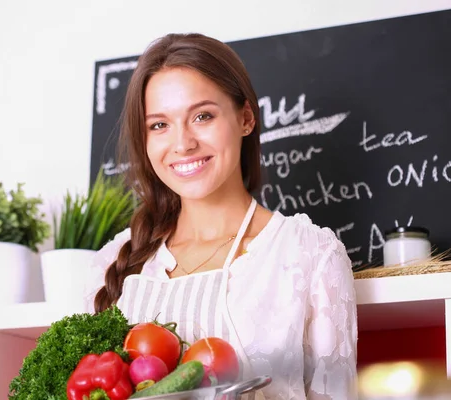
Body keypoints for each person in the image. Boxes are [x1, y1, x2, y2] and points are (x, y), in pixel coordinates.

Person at [84, 32, 358, 400]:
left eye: (202, 116)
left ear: (245, 118)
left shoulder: (310, 255)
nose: (182, 143)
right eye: (159, 125)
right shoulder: (112, 262)